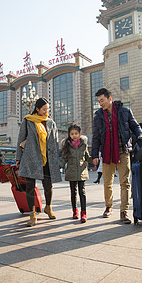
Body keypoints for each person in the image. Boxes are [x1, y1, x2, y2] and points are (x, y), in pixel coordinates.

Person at [92, 88, 142, 224]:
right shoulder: (98, 116)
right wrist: (94, 155)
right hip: (107, 154)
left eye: (102, 100)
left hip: (123, 151)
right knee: (107, 183)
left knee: (125, 183)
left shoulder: (124, 111)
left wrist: (140, 134)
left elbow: (134, 125)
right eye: (99, 101)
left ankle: (124, 211)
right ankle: (108, 207)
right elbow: (96, 137)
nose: (100, 104)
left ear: (110, 98)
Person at [16, 97, 61, 227]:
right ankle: (32, 214)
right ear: (37, 109)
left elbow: (55, 141)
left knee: (48, 185)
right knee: (30, 187)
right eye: (44, 109)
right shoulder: (28, 121)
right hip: (31, 158)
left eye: (48, 109)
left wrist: (56, 158)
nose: (46, 111)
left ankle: (48, 207)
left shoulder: (51, 122)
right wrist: (18, 159)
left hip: (46, 158)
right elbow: (20, 140)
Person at [60, 124, 92, 223]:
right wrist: (59, 166)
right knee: (73, 193)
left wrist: (94, 160)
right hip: (71, 172)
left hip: (82, 172)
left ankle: (84, 213)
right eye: (72, 134)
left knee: (82, 192)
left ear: (80, 134)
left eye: (76, 133)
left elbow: (87, 157)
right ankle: (75, 211)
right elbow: (64, 158)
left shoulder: (83, 145)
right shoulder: (67, 146)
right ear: (69, 135)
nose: (74, 135)